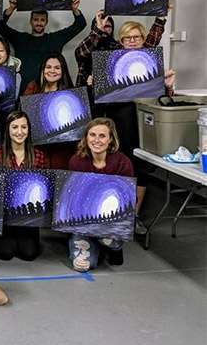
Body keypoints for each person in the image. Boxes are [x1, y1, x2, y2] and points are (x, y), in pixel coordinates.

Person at [75, 12, 176, 233]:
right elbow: (82, 54)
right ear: (120, 41)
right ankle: (109, 215)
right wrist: (94, 84)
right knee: (115, 167)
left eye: (136, 37)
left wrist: (168, 86)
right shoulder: (111, 63)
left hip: (143, 126)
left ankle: (133, 216)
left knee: (140, 170)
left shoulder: (150, 62)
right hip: (118, 125)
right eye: (127, 38)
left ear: (143, 39)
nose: (132, 41)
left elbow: (164, 100)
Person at [67, 118, 134, 272]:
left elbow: (128, 201)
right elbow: (71, 198)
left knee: (113, 241)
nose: (96, 140)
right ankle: (90, 243)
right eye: (92, 135)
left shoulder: (123, 163)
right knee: (84, 265)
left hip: (111, 218)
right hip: (84, 220)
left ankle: (110, 246)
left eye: (102, 136)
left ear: (110, 139)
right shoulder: (76, 161)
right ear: (86, 137)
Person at [0, 111, 48, 261]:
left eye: (24, 127)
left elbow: (43, 191)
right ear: (8, 130)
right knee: (6, 253)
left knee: (29, 254)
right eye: (14, 127)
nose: (19, 132)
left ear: (29, 129)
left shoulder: (39, 156)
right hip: (4, 217)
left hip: (27, 217)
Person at [0, 0, 86, 93]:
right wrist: (11, 8)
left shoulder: (55, 39)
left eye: (42, 20)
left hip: (49, 91)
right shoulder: (20, 39)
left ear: (46, 22)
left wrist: (74, 9)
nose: (39, 23)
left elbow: (80, 24)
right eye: (36, 20)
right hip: (23, 91)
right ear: (31, 21)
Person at [21, 53, 78, 169]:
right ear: (43, 69)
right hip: (36, 148)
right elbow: (23, 114)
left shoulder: (70, 92)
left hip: (62, 149)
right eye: (48, 67)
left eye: (57, 68)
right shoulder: (33, 87)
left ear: (63, 71)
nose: (52, 71)